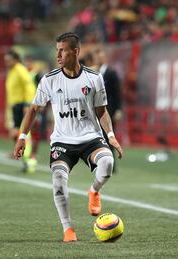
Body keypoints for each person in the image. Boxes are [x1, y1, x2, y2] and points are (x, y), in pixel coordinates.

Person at [13, 32, 123, 242]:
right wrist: (21, 136)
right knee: (58, 180)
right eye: (57, 51)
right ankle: (68, 229)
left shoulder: (94, 78)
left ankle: (94, 191)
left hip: (90, 137)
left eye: (62, 50)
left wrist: (110, 135)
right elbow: (34, 109)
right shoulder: (49, 80)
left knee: (108, 162)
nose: (58, 55)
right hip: (63, 141)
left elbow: (102, 111)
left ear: (76, 51)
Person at [4, 50, 37, 173]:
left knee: (23, 133)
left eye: (8, 60)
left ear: (15, 60)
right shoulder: (12, 71)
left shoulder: (20, 70)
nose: (6, 62)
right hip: (15, 107)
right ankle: (24, 157)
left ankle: (29, 159)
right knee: (14, 133)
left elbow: (29, 86)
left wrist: (27, 104)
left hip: (22, 105)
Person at [94, 48, 123, 172]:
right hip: (96, 110)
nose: (98, 59)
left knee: (109, 136)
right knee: (98, 137)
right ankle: (100, 162)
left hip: (109, 110)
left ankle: (111, 165)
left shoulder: (111, 72)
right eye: (96, 57)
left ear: (104, 58)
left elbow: (117, 93)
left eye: (100, 56)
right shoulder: (94, 73)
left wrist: (118, 110)